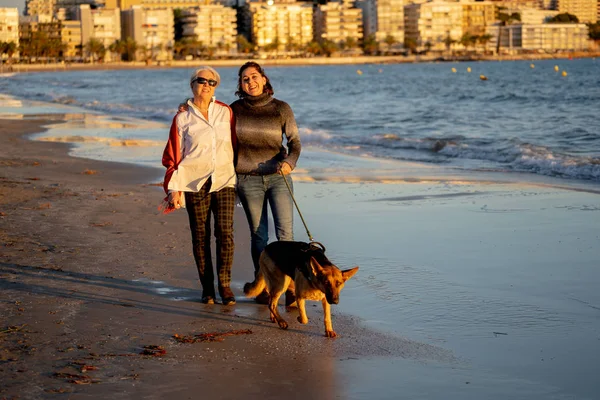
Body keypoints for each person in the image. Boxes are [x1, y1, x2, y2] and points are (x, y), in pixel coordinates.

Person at [162, 66, 237, 306]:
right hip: (194, 182)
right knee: (200, 236)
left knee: (225, 233)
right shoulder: (182, 117)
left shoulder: (226, 112)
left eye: (212, 82)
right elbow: (173, 154)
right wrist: (174, 189)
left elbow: (238, 142)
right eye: (201, 80)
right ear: (192, 84)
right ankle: (207, 289)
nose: (206, 85)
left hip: (224, 179)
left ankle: (224, 285)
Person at [230, 61, 301, 305]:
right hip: (248, 180)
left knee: (286, 236)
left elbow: (295, 143)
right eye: (245, 79)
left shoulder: (281, 108)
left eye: (254, 76)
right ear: (240, 84)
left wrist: (290, 163)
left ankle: (291, 288)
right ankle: (262, 285)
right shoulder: (234, 110)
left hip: (279, 178)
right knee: (259, 237)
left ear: (263, 78)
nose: (250, 82)